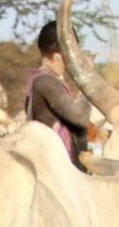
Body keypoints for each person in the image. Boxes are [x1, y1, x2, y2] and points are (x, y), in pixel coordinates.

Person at [25, 20, 93, 169]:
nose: (75, 57)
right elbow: (80, 118)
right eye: (72, 50)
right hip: (54, 170)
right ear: (57, 53)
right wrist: (87, 78)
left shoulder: (49, 80)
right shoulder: (45, 82)